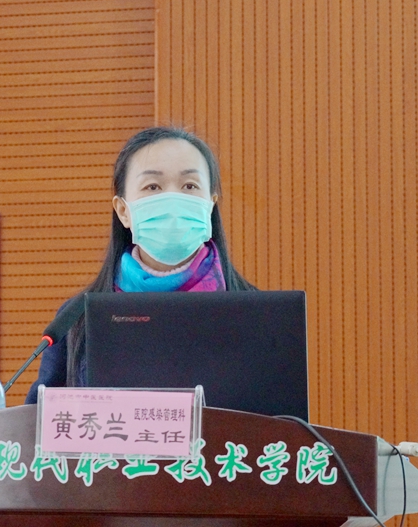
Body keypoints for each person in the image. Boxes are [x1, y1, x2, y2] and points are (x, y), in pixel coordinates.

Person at [24, 126, 255, 404]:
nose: (172, 200)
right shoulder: (77, 319)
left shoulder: (255, 314)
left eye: (190, 186)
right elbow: (39, 420)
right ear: (123, 211)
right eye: (153, 187)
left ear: (210, 205)